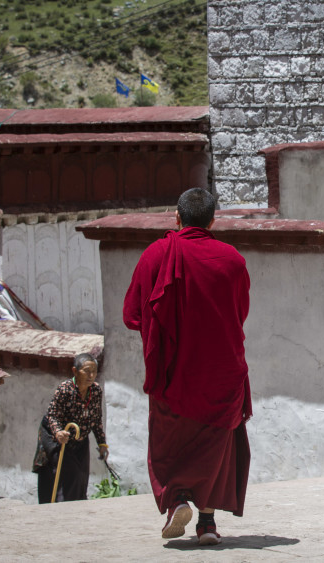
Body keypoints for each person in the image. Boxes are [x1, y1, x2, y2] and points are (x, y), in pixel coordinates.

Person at [123, 187, 252, 546]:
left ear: (177, 218)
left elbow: (133, 315)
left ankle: (178, 500)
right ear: (213, 220)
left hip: (172, 372)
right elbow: (239, 314)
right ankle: (207, 525)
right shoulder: (232, 260)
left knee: (171, 443)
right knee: (216, 448)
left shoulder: (156, 255)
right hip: (222, 372)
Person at [33, 352, 108, 503]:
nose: (91, 375)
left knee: (82, 475)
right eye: (87, 371)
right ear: (75, 371)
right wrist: (59, 432)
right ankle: (62, 506)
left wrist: (102, 443)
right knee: (70, 473)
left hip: (80, 436)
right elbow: (52, 415)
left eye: (94, 371)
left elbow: (96, 418)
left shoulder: (96, 391)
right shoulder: (65, 390)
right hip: (56, 436)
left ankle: (77, 506)